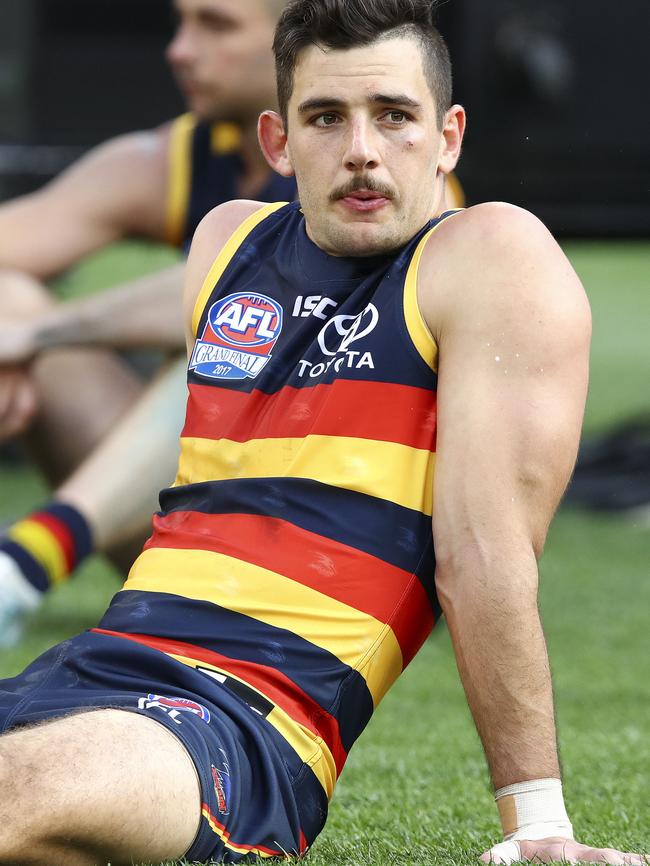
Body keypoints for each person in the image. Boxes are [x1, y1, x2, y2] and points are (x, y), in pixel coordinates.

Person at [1, 0, 638, 864]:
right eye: (327, 118)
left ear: (448, 138)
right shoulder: (227, 242)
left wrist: (537, 826)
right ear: (277, 141)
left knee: (19, 789)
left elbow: (485, 554)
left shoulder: (487, 256)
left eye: (394, 117)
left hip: (239, 724)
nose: (363, 148)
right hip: (87, 668)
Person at [0, 0, 301, 643]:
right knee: (6, 297)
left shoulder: (384, 165)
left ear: (299, 35)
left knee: (231, 336)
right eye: (182, 22)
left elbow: (251, 282)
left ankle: (23, 564)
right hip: (192, 534)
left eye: (215, 25)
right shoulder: (184, 154)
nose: (179, 50)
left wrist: (38, 337)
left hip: (336, 552)